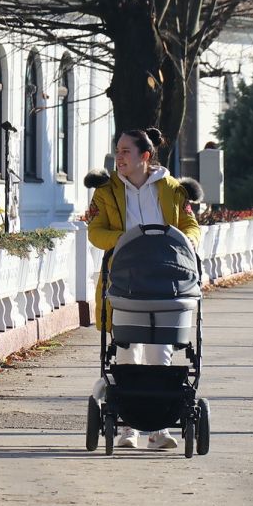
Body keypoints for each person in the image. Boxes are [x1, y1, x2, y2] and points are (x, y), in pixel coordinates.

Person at [85, 127, 203, 449]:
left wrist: (187, 242)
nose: (119, 157)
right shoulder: (106, 192)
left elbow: (190, 224)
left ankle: (159, 428)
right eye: (117, 150)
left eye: (126, 151)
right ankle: (129, 430)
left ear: (145, 156)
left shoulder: (171, 189)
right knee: (126, 351)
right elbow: (95, 231)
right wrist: (122, 241)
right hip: (124, 282)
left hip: (166, 283)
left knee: (159, 352)